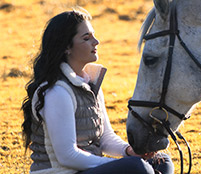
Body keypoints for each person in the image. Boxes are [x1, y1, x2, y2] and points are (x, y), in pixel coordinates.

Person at [21, 9, 174, 174]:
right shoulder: (58, 92)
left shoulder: (89, 85)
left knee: (161, 161)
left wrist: (128, 152)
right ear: (66, 47)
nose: (96, 41)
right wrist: (115, 164)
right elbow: (67, 156)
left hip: (85, 170)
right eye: (86, 38)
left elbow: (105, 138)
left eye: (93, 35)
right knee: (137, 167)